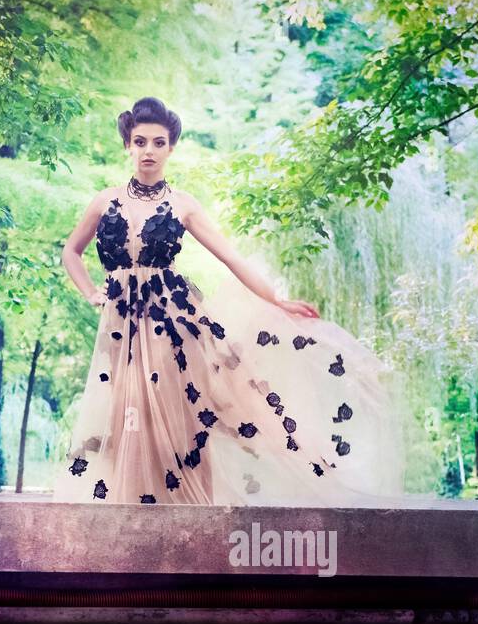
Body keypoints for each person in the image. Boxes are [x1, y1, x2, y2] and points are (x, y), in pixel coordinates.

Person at [54, 95, 404, 505]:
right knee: (126, 412)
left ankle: (191, 514)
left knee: (179, 412)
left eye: (158, 142)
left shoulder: (182, 204)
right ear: (127, 146)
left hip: (171, 319)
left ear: (171, 147)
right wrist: (92, 292)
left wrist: (277, 300)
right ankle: (130, 509)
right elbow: (70, 252)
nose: (148, 150)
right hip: (121, 321)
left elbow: (232, 256)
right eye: (140, 141)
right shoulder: (104, 200)